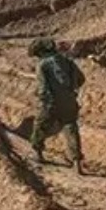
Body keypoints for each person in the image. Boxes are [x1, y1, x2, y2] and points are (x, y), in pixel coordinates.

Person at [28, 38, 85, 175]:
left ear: (41, 52)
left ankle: (38, 154)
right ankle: (76, 162)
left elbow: (43, 87)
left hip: (51, 102)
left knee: (40, 126)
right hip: (69, 101)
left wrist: (43, 100)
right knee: (71, 128)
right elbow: (81, 79)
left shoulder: (42, 65)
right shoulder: (68, 61)